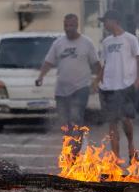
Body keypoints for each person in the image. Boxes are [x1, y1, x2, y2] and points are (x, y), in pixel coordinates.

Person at [36, 14, 101, 154]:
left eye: (71, 25)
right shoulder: (58, 43)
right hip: (61, 91)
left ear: (76, 25)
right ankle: (70, 147)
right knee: (65, 124)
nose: (68, 28)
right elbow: (48, 61)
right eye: (66, 26)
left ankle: (75, 150)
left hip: (80, 88)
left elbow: (96, 65)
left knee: (76, 117)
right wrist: (41, 76)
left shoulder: (86, 43)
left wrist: (97, 80)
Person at [96, 10, 139, 161]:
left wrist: (138, 80)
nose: (104, 24)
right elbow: (103, 64)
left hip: (125, 85)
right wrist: (99, 81)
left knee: (125, 119)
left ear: (115, 21)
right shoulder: (106, 42)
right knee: (112, 122)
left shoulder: (130, 39)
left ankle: (131, 146)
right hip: (108, 87)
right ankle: (115, 157)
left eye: (106, 21)